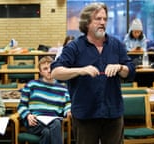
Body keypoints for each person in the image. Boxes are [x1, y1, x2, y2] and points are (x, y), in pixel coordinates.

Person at [51, 2, 136, 144]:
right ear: (87, 22)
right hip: (85, 114)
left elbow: (131, 71)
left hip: (113, 113)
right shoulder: (74, 47)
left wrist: (121, 67)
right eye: (98, 19)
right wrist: (80, 70)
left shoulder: (116, 45)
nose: (102, 22)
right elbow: (55, 72)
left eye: (105, 19)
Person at [17, 56, 71, 144]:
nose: (49, 71)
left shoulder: (63, 88)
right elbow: (22, 105)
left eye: (51, 68)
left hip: (53, 119)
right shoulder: (32, 85)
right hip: (35, 122)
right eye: (45, 69)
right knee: (56, 124)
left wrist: (68, 111)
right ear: (40, 72)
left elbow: (68, 105)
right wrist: (28, 115)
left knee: (47, 132)